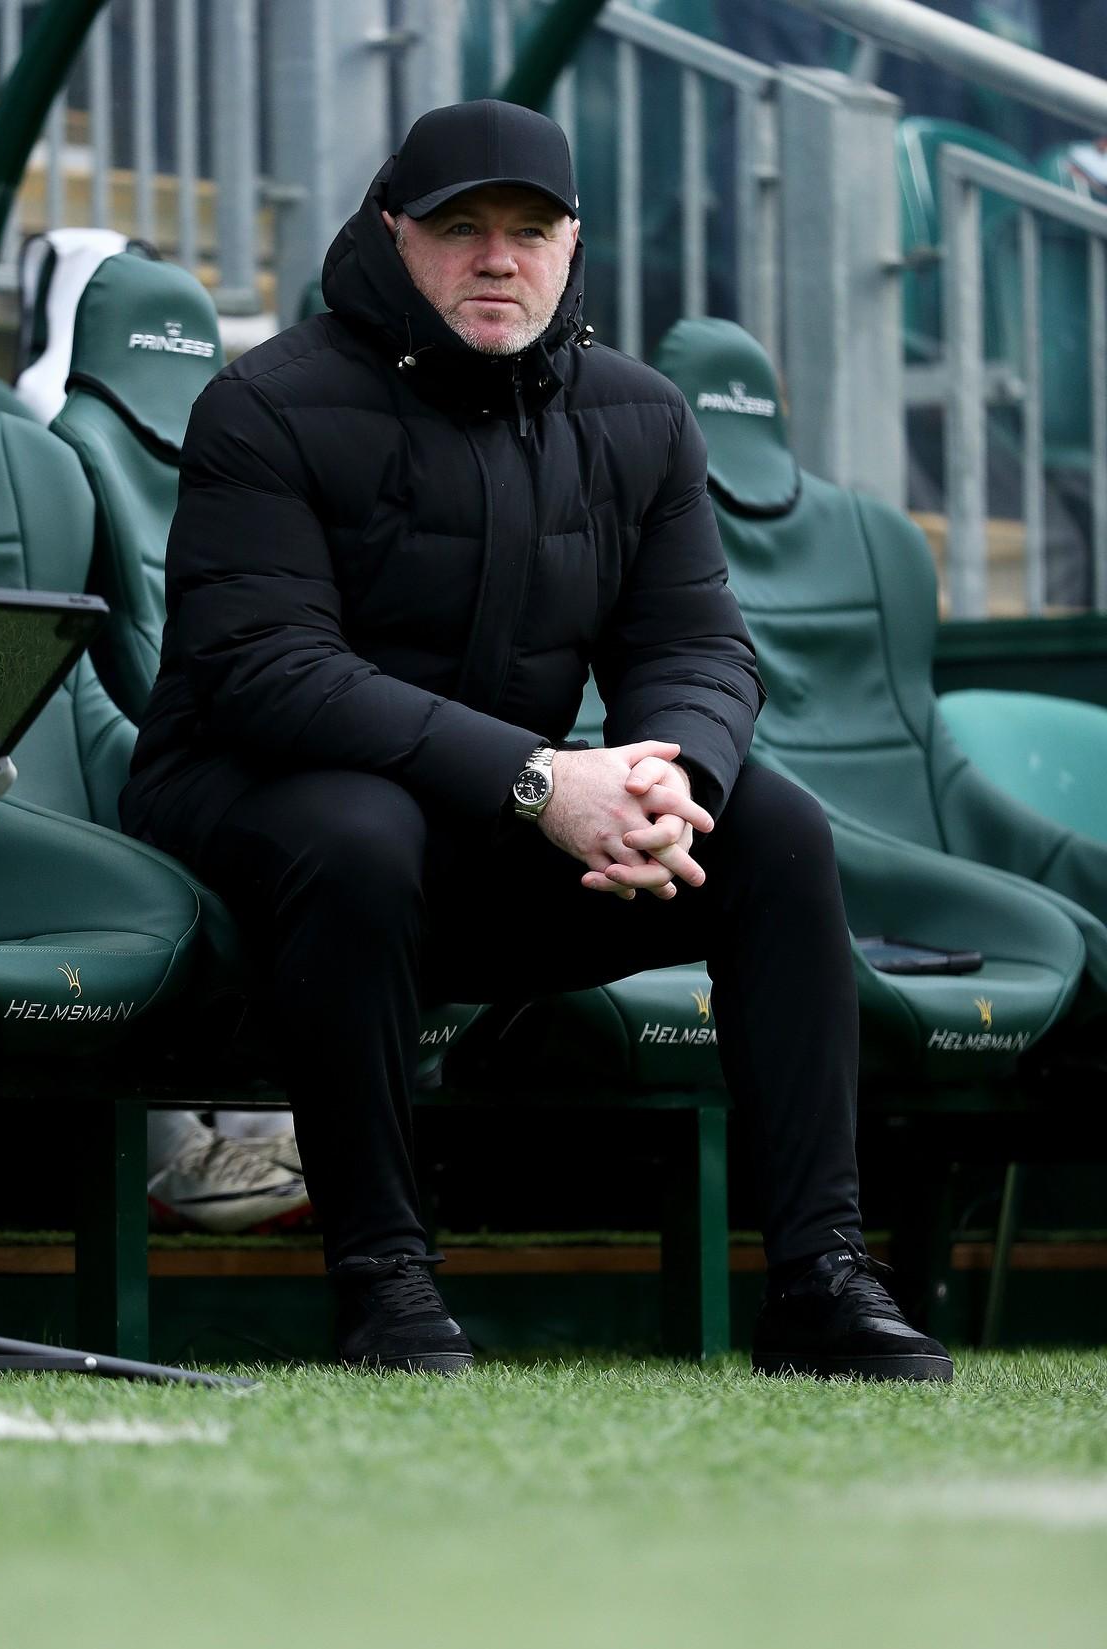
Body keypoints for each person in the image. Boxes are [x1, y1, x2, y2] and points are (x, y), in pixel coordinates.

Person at [121, 99, 952, 1382]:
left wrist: (669, 776)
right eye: (461, 229)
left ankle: (820, 1277)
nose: (497, 259)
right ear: (392, 232)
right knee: (360, 830)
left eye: (530, 230)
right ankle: (383, 1276)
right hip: (250, 801)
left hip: (486, 819)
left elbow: (700, 647)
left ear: (574, 243)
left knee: (773, 831)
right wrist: (537, 778)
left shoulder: (642, 415)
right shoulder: (264, 402)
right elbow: (269, 673)